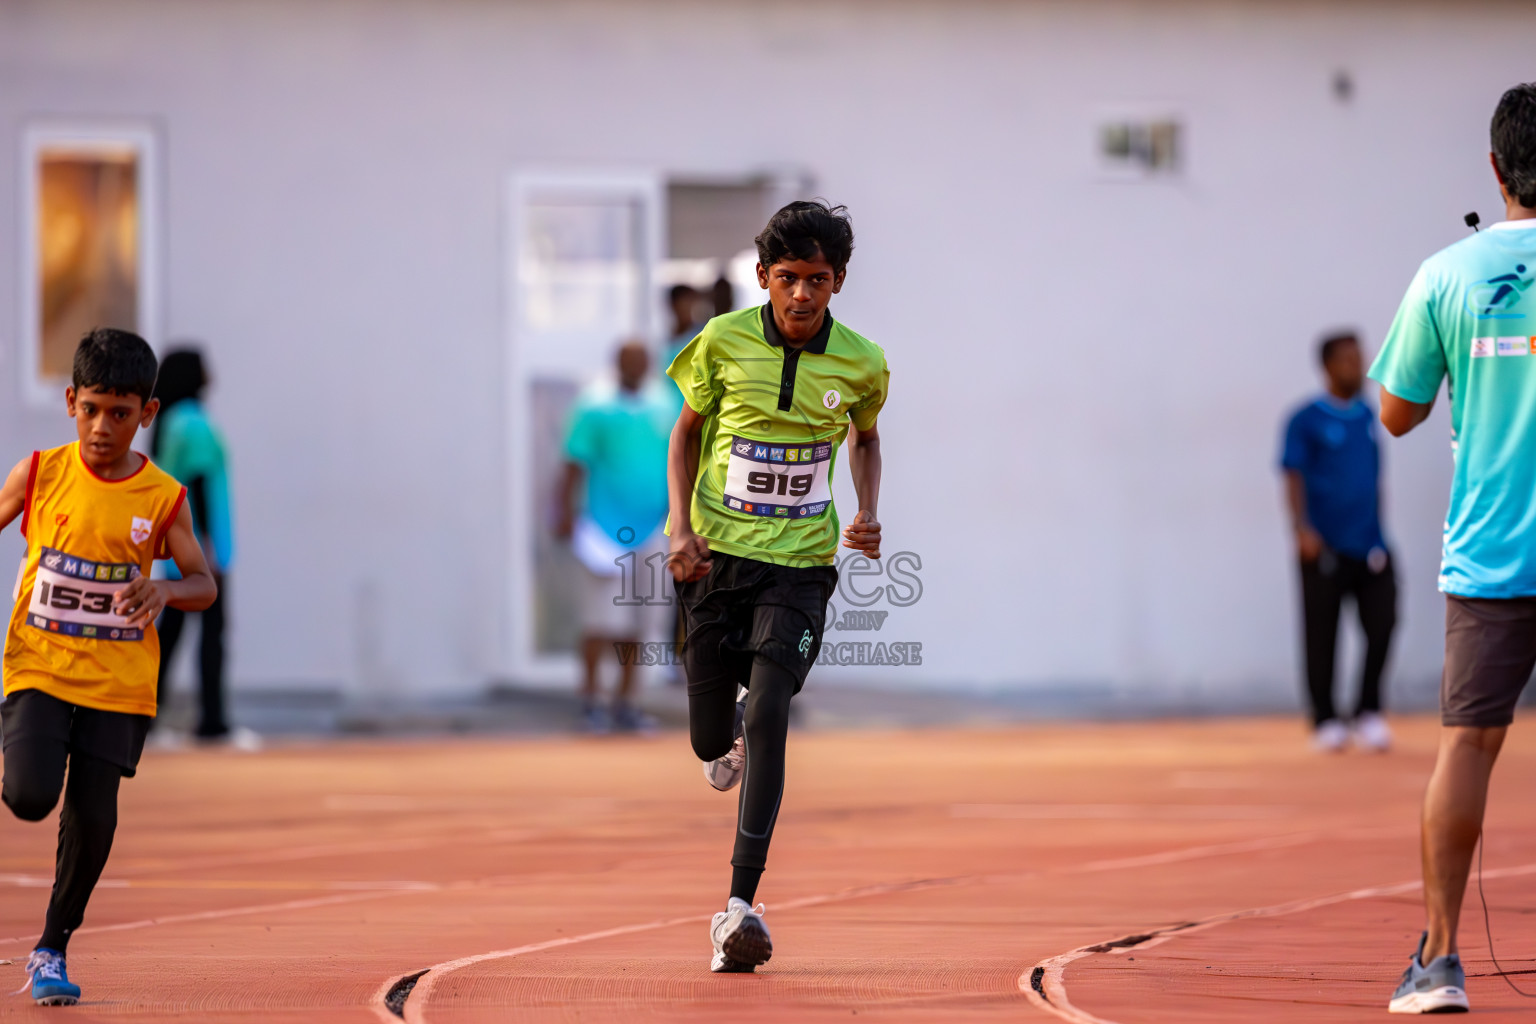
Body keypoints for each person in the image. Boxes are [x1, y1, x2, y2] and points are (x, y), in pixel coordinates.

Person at [666, 200, 888, 972]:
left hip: (800, 565)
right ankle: (715, 729)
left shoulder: (861, 362)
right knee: (709, 737)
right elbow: (686, 434)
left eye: (817, 281)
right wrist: (677, 527)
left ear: (838, 283)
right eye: (788, 279)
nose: (801, 295)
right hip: (715, 560)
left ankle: (739, 909)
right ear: (762, 277)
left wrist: (867, 511)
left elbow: (867, 440)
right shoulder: (721, 342)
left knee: (768, 713)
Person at [1371, 82, 1536, 1015]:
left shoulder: (1447, 273)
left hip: (1495, 554)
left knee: (1468, 746)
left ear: (1494, 168)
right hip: (1495, 557)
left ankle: (1438, 961)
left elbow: (1397, 413)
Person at [0, 329, 217, 1005]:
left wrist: (165, 589)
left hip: (119, 684)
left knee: (94, 818)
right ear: (71, 401)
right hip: (40, 665)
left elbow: (203, 582)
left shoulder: (161, 498)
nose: (102, 427)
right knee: (31, 797)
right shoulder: (39, 473)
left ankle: (51, 948)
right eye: (92, 408)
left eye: (120, 413)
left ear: (146, 414)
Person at [1279, 332, 1397, 753]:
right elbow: (1292, 475)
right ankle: (1325, 718)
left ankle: (1368, 711)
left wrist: (1378, 529)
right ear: (1327, 366)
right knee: (1322, 634)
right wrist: (1301, 529)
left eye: (1359, 358)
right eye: (1347, 359)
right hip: (1324, 546)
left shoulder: (1368, 415)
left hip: (1370, 543)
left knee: (1383, 625)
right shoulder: (1305, 419)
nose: (1357, 366)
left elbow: (1372, 479)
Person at [555, 340, 675, 732]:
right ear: (617, 363)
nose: (637, 367)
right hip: (603, 532)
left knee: (641, 624)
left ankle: (627, 702)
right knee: (599, 621)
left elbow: (680, 463)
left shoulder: (665, 405)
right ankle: (592, 700)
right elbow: (574, 462)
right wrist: (563, 512)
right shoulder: (594, 406)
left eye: (643, 361)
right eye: (630, 361)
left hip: (652, 530)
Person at [149, 348, 247, 746]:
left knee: (168, 636)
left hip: (175, 548)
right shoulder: (196, 424)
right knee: (212, 633)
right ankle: (213, 721)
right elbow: (202, 485)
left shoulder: (169, 422)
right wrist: (207, 550)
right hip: (203, 551)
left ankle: (145, 717)